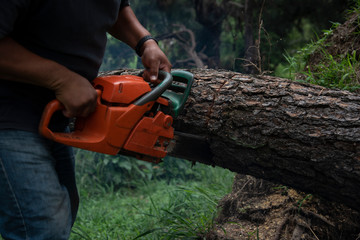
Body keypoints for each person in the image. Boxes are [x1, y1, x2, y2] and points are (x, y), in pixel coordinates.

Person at [0, 0, 172, 239]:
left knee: (61, 217)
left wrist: (145, 43)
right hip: (9, 115)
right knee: (43, 227)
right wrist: (61, 79)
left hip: (57, 119)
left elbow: (116, 8)